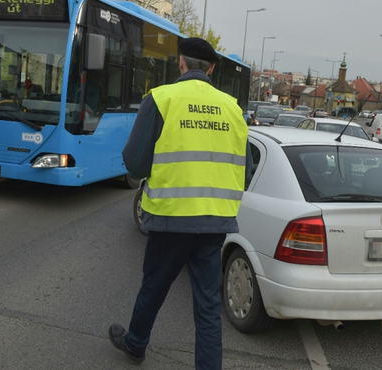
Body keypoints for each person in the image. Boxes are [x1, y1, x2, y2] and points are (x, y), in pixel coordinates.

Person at [108, 37, 249, 370]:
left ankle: (136, 345)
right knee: (208, 305)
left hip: (171, 219)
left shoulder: (162, 98)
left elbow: (135, 162)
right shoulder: (232, 107)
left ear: (180, 63)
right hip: (215, 221)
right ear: (212, 68)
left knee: (154, 287)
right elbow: (245, 170)